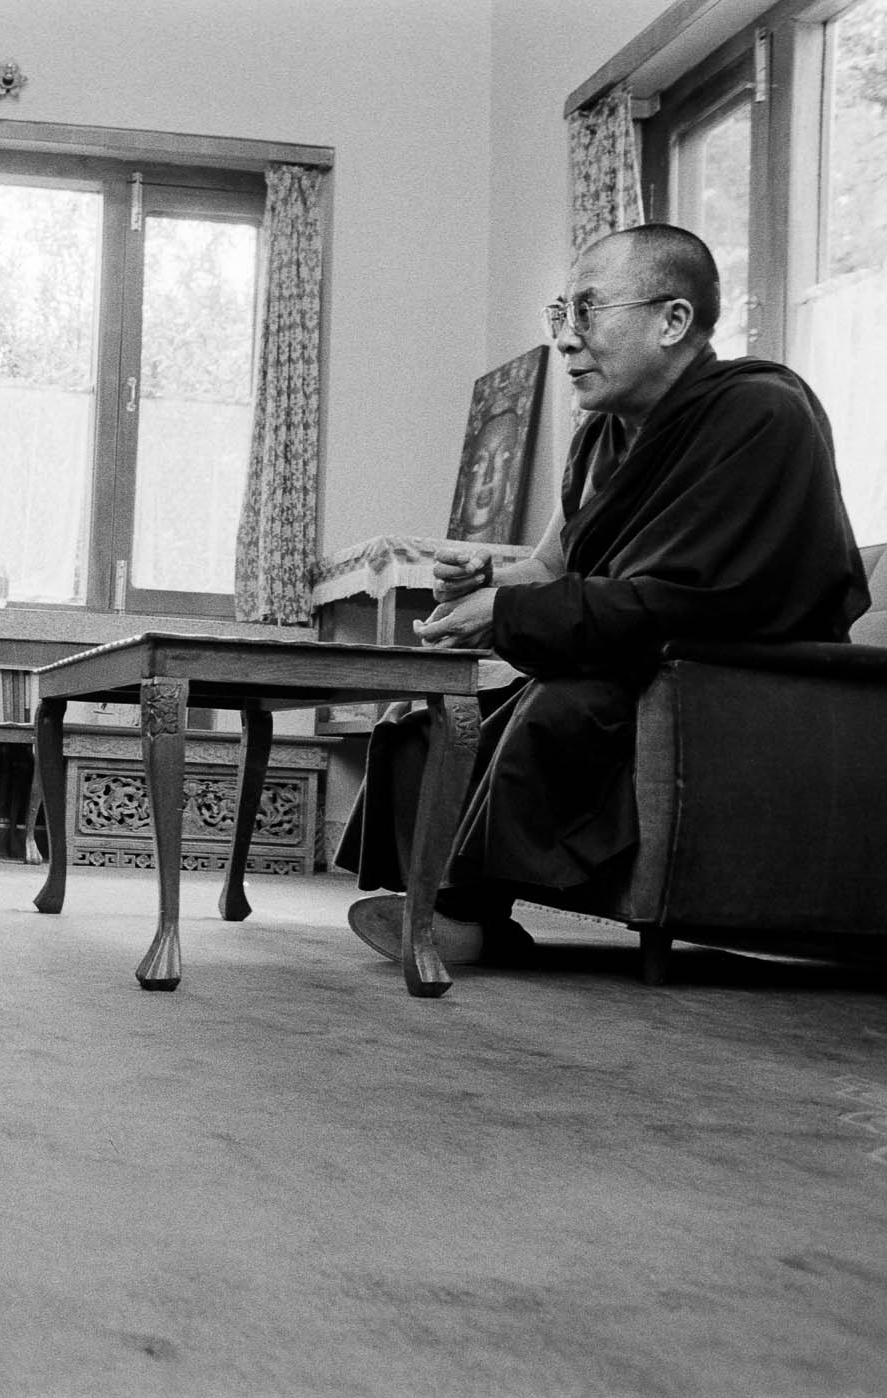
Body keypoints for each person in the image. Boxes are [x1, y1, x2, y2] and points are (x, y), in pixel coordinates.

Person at [341, 223, 869, 965]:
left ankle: (464, 908)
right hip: (639, 649)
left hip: (733, 683)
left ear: (673, 319)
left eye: (587, 312)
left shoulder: (762, 413)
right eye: (562, 315)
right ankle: (451, 898)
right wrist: (486, 584)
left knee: (562, 704)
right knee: (429, 712)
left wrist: (514, 614)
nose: (565, 339)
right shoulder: (600, 436)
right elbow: (554, 567)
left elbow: (704, 596)